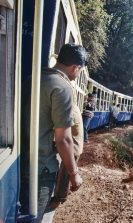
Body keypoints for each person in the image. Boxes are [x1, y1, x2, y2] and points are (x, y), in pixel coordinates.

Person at [37, 43, 87, 222]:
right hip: (43, 167)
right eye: (79, 71)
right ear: (76, 67)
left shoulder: (33, 78)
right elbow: (64, 139)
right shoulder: (62, 87)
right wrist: (74, 175)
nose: (77, 75)